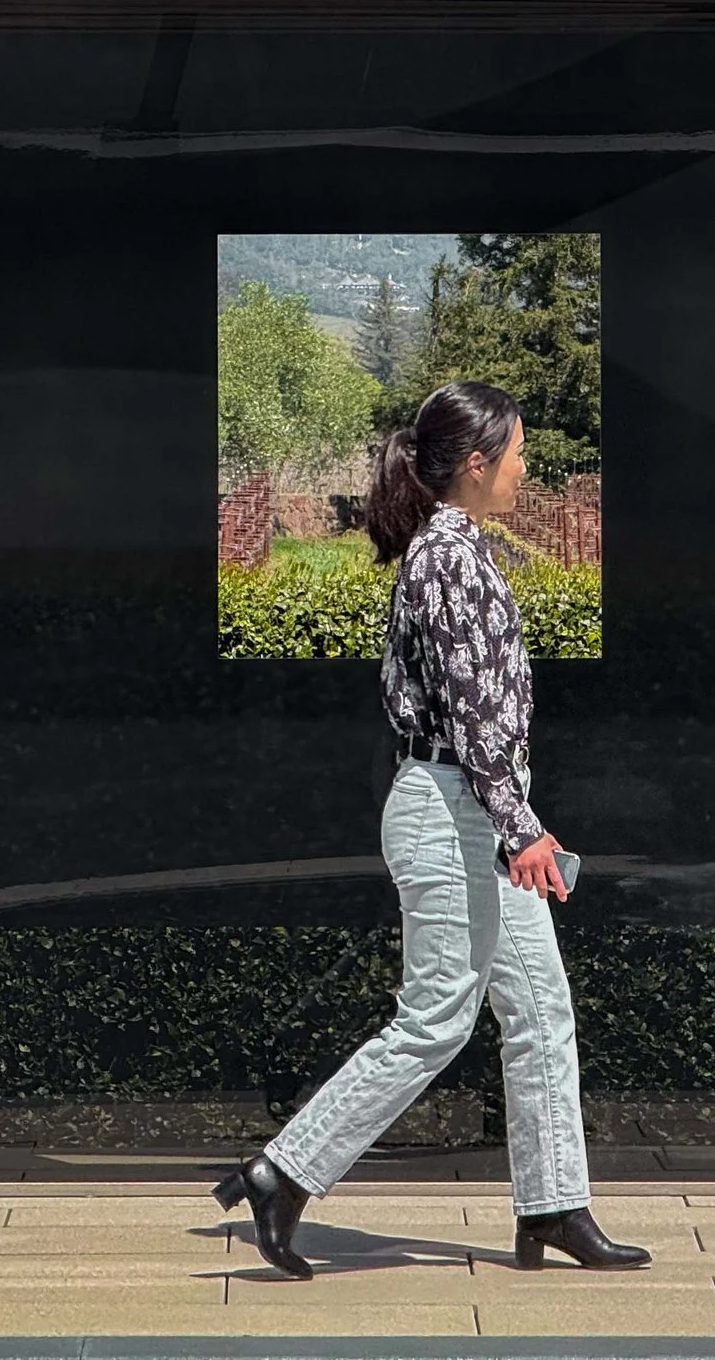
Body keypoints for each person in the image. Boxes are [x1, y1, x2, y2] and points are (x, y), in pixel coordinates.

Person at [213, 379, 649, 1279]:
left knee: (539, 1010)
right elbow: (473, 708)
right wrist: (522, 827)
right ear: (479, 464)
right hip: (457, 811)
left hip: (473, 808)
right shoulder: (447, 556)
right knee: (437, 1019)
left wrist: (512, 820)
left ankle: (554, 1205)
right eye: (520, 452)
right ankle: (282, 1172)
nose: (530, 467)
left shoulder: (454, 547)